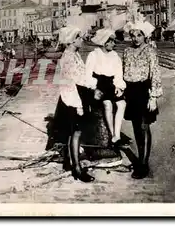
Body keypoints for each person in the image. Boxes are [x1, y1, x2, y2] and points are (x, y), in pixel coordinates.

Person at [53, 25, 95, 183]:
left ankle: (71, 162)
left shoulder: (74, 54)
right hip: (72, 97)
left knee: (76, 132)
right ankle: (76, 168)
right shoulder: (69, 57)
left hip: (78, 95)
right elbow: (69, 83)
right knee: (75, 132)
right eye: (78, 37)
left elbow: (82, 76)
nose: (81, 40)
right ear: (71, 41)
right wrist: (78, 105)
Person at [122, 20, 163, 179]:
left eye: (139, 35)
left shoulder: (150, 51)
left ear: (145, 36)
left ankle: (144, 164)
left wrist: (153, 97)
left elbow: (155, 74)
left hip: (144, 91)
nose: (136, 38)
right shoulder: (127, 51)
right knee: (136, 127)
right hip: (131, 92)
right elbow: (123, 71)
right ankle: (140, 158)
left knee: (144, 126)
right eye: (133, 35)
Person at [85, 28, 127, 148]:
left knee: (122, 104)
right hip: (99, 83)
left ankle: (117, 134)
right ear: (105, 42)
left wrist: (119, 86)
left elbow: (119, 73)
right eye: (111, 41)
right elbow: (88, 73)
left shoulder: (115, 56)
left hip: (111, 83)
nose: (114, 44)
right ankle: (112, 133)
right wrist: (93, 88)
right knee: (107, 104)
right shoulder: (94, 55)